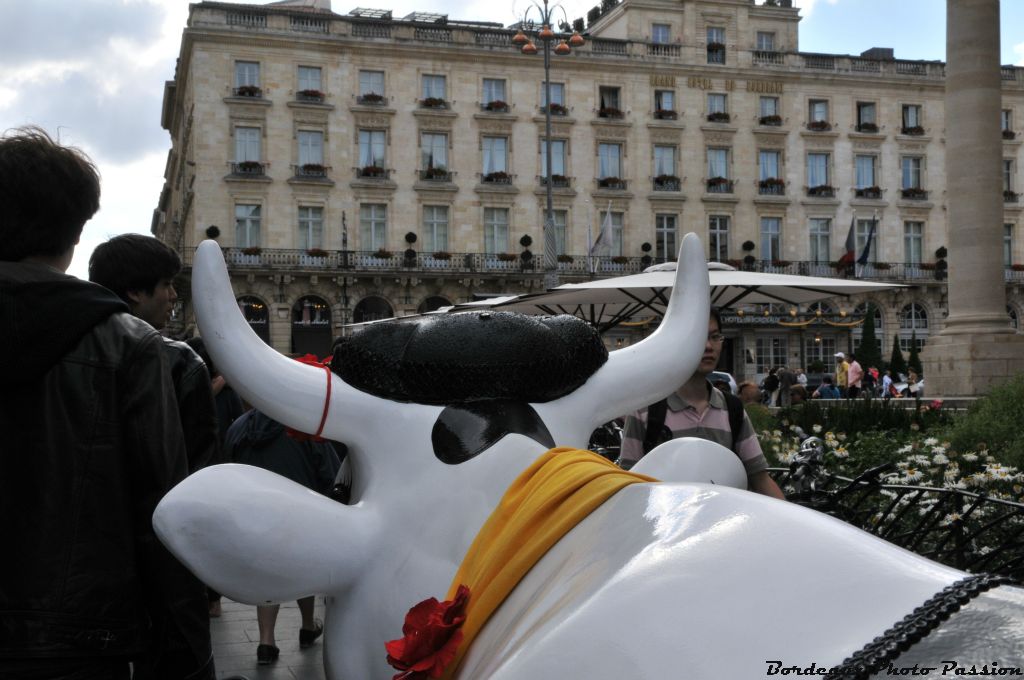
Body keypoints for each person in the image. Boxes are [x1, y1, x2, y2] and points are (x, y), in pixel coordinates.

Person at [0, 127, 214, 679]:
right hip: (84, 640)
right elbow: (163, 511)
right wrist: (185, 654)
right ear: (75, 232)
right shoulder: (128, 346)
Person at [618, 308, 785, 499]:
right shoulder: (645, 410)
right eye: (697, 336)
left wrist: (794, 523)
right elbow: (627, 486)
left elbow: (760, 479)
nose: (708, 346)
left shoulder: (732, 409)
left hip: (722, 525)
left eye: (715, 337)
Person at [90, 234, 218, 473]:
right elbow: (200, 468)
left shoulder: (62, 345)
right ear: (135, 291)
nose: (173, 295)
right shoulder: (181, 361)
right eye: (166, 284)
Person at [224, 408, 341, 664]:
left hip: (256, 518)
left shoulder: (239, 428)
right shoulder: (303, 426)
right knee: (305, 569)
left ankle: (266, 641)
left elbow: (227, 471)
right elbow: (330, 474)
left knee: (265, 576)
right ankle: (308, 626)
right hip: (301, 514)